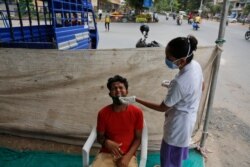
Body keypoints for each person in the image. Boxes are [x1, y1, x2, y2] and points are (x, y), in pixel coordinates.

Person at [120, 35, 204, 167]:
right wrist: (175, 88)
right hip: (189, 117)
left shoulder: (180, 83)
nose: (166, 60)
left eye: (169, 58)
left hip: (179, 125)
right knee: (175, 154)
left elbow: (162, 107)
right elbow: (201, 86)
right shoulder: (195, 65)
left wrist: (136, 99)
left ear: (181, 61)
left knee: (170, 154)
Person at [91, 75, 144, 167]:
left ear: (126, 92)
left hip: (128, 155)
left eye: (121, 88)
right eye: (114, 88)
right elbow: (100, 137)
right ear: (110, 94)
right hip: (106, 154)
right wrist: (106, 142)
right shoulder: (103, 113)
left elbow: (138, 138)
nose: (118, 90)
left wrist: (127, 157)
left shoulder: (137, 112)